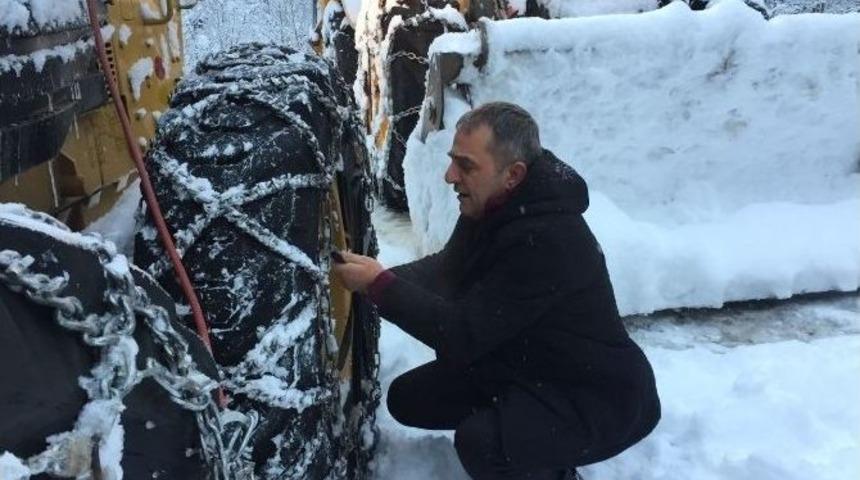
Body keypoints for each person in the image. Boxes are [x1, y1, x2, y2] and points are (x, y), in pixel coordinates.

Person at [333, 102, 660, 479]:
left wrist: (380, 286)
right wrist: (376, 279)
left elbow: (462, 334)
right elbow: (446, 269)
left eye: (466, 166)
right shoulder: (493, 205)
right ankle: (526, 430)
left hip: (596, 396)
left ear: (513, 174)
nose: (449, 176)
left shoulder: (548, 241)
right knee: (409, 399)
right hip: (529, 367)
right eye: (453, 159)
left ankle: (547, 464)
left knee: (482, 444)